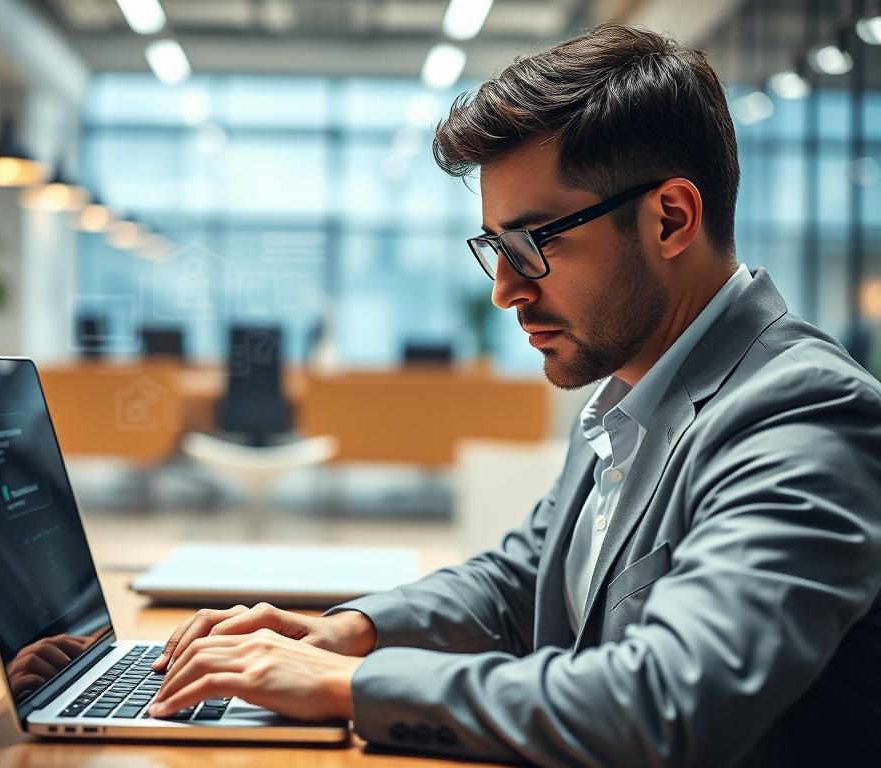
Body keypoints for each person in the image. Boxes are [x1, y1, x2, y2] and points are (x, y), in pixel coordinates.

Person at [146, 23, 881, 767]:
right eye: (496, 248)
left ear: (671, 218)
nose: (505, 290)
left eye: (533, 244)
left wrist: (355, 682)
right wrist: (350, 631)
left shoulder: (803, 416)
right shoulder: (631, 393)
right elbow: (522, 581)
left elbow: (665, 701)